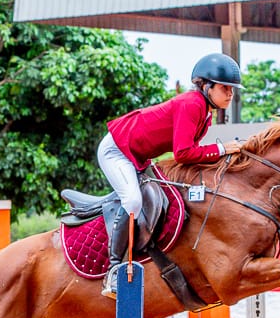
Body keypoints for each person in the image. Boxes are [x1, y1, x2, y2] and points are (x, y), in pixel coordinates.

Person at [97, 53, 243, 298]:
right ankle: (113, 270)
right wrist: (221, 149)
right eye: (225, 88)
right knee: (132, 201)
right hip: (117, 150)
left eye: (232, 89)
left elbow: (187, 154)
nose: (230, 94)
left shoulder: (205, 113)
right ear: (206, 86)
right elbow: (184, 152)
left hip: (140, 157)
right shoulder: (192, 104)